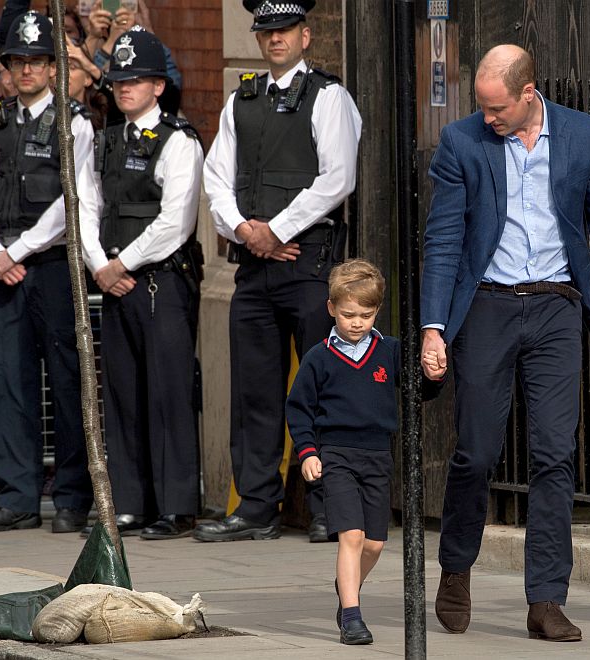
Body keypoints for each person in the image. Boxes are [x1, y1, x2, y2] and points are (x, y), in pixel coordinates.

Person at [419, 44, 590, 641]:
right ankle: (455, 567)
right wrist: (433, 326)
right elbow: (443, 240)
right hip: (488, 308)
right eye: (481, 106)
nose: (486, 117)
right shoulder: (462, 143)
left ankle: (546, 598)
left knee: (555, 454)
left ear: (529, 94)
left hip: (557, 307)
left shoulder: (582, 136)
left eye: (496, 107)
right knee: (475, 451)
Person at [195, 0, 361, 543]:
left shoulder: (329, 96)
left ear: (306, 35)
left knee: (324, 386)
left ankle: (327, 507)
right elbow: (215, 174)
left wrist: (277, 230)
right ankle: (257, 507)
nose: (275, 40)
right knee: (253, 393)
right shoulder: (242, 98)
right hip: (254, 265)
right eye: (266, 31)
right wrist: (246, 231)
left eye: (285, 30)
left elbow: (337, 178)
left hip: (309, 263)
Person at [77, 26, 204, 540]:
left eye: (136, 80)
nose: (124, 88)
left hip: (161, 283)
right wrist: (97, 265)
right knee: (124, 395)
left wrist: (120, 264)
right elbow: (86, 204)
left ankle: (176, 505)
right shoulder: (104, 141)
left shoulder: (179, 141)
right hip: (114, 281)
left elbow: (176, 221)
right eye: (119, 81)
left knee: (170, 393)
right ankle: (130, 502)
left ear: (158, 86)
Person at [0, 11, 95, 533]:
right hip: (1, 266)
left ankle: (71, 497)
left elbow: (74, 198)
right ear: (6, 68)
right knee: (8, 382)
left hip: (50, 266)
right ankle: (16, 495)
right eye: (17, 61)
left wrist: (19, 250)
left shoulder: (76, 121)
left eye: (36, 61)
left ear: (53, 67)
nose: (26, 70)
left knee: (67, 382)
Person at [284, 260, 395, 645]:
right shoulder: (319, 357)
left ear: (377, 311)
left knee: (375, 542)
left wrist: (434, 372)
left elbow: (421, 393)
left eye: (366, 314)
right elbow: (298, 409)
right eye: (348, 314)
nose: (357, 322)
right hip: (336, 455)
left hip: (378, 455)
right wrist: (309, 452)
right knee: (351, 534)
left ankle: (346, 586)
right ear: (331, 308)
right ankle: (352, 615)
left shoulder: (389, 352)